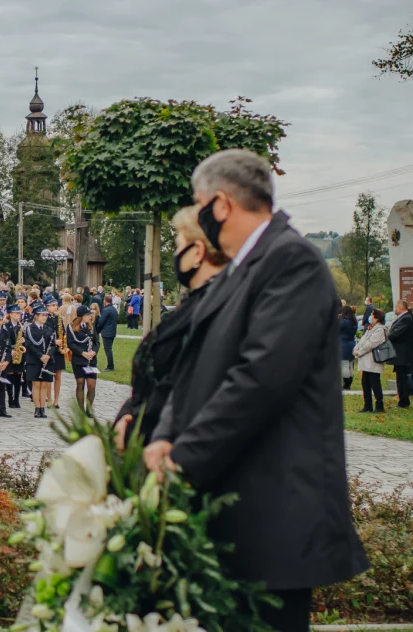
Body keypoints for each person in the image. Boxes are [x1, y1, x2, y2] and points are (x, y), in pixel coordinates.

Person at [143, 149, 368, 632]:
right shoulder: (242, 269)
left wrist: (182, 459)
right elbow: (190, 369)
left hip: (272, 519)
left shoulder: (292, 262)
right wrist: (163, 434)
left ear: (221, 204)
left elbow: (261, 380)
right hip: (233, 513)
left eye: (200, 203)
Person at [113, 205, 227, 447]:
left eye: (177, 245)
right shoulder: (194, 301)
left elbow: (179, 383)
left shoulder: (215, 307)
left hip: (169, 444)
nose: (176, 253)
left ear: (197, 252)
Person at [67, 305, 99, 413]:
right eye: (87, 315)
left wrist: (94, 351)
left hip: (91, 359)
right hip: (79, 359)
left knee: (91, 385)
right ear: (81, 316)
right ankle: (81, 410)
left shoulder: (91, 326)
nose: (90, 317)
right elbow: (71, 343)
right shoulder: (71, 327)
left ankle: (89, 409)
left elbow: (96, 342)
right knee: (80, 383)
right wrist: (82, 353)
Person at [24, 305, 55, 418]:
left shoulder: (49, 329)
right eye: (42, 315)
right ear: (36, 316)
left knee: (44, 385)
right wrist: (40, 356)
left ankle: (43, 408)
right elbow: (29, 345)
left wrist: (48, 356)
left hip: (47, 360)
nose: (45, 317)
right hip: (34, 360)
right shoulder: (29, 328)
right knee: (36, 384)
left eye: (46, 315)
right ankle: (37, 408)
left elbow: (53, 345)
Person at [354, 308, 387, 413]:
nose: (370, 316)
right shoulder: (370, 328)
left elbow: (371, 344)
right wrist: (356, 348)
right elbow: (363, 340)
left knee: (375, 383)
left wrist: (359, 352)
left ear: (376, 317)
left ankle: (379, 405)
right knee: (365, 383)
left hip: (373, 361)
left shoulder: (380, 329)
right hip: (366, 361)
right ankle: (367, 405)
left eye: (372, 315)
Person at [387, 300, 413, 408]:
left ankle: (404, 401)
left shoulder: (406, 318)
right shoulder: (403, 318)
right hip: (400, 353)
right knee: (400, 378)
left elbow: (395, 333)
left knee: (403, 379)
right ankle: (402, 398)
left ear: (402, 307)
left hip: (404, 354)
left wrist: (388, 335)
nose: (395, 309)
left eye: (397, 307)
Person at [340, 305, 357, 390]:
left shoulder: (344, 322)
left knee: (344, 364)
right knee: (350, 365)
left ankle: (346, 383)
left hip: (344, 345)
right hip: (351, 344)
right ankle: (349, 381)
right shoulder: (353, 321)